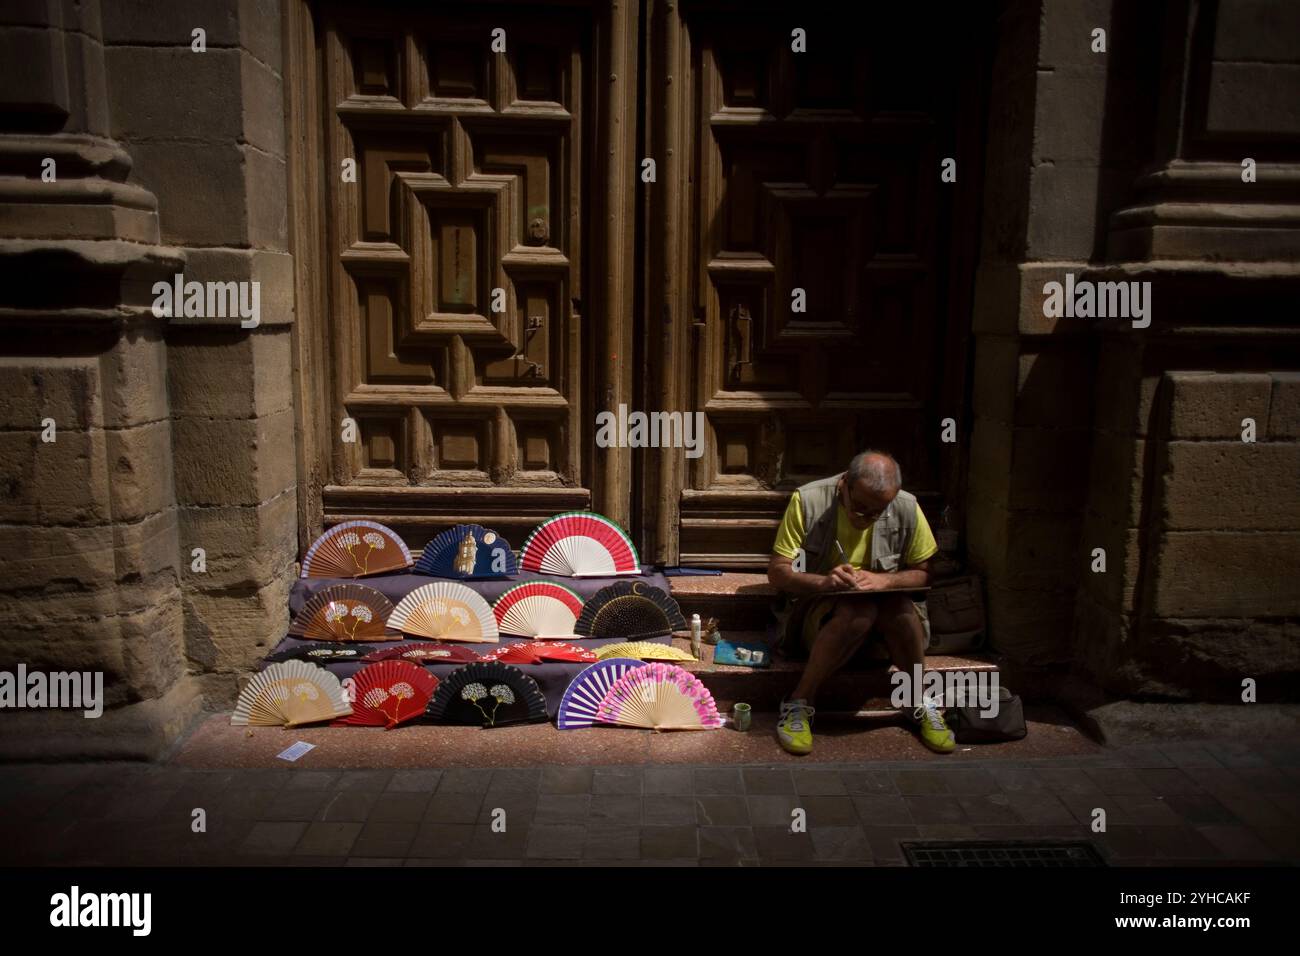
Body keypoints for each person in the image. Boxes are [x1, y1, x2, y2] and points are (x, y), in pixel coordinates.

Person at [767, 450, 955, 756]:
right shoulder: (808, 500)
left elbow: (924, 573)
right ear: (844, 485)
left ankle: (917, 699)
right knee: (859, 610)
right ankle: (799, 701)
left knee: (899, 608)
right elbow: (777, 572)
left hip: (887, 628)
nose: (865, 519)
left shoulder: (906, 506)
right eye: (859, 509)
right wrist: (824, 582)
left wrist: (886, 581)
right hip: (822, 622)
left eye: (876, 513)